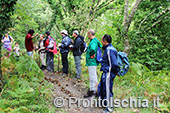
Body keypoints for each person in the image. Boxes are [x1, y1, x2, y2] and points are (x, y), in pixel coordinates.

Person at [98, 34, 119, 113]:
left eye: (102, 40)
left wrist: (115, 71)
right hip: (106, 72)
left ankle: (109, 108)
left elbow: (113, 64)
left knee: (107, 90)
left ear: (105, 41)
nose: (101, 42)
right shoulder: (107, 49)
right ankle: (103, 103)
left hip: (109, 73)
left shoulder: (110, 50)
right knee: (102, 87)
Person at [84, 29, 102, 98]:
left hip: (92, 62)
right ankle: (91, 90)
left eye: (88, 34)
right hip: (91, 62)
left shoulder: (94, 41)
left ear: (90, 34)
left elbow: (93, 49)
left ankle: (94, 91)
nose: (88, 36)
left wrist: (92, 54)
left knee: (93, 77)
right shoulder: (93, 41)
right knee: (91, 76)